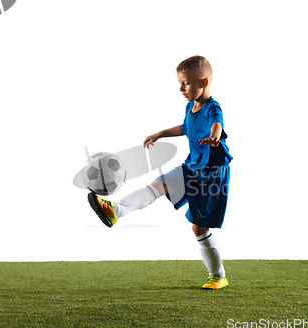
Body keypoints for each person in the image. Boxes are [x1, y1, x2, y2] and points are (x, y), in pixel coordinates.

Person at [88, 55, 233, 290]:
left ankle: (218, 276)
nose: (181, 88)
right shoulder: (190, 106)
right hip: (192, 167)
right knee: (158, 185)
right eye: (180, 82)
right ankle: (115, 210)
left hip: (211, 173)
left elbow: (217, 124)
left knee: (199, 227)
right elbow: (185, 128)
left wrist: (215, 136)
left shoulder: (213, 108)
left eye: (186, 83)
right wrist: (160, 134)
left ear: (203, 83)